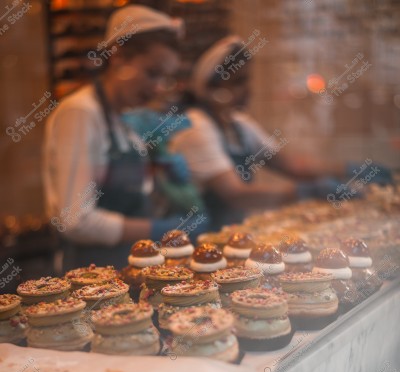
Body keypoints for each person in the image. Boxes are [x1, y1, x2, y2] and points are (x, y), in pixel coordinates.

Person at [170, 36, 393, 230]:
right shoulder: (197, 127)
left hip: (231, 233)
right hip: (199, 239)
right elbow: (236, 195)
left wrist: (351, 170)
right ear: (212, 88)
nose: (249, 90)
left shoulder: (238, 123)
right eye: (239, 82)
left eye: (247, 80)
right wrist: (308, 191)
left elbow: (293, 166)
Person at [44, 5, 194, 270]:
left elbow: (133, 197)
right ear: (119, 57)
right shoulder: (80, 113)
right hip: (93, 276)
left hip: (131, 269)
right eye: (152, 73)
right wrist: (158, 228)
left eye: (166, 79)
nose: (158, 88)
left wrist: (163, 180)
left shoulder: (123, 121)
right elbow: (75, 221)